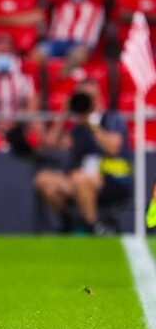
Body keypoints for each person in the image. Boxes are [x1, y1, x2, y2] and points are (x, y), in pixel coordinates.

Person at [34, 80, 132, 234]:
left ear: (98, 99)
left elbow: (113, 148)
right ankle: (68, 223)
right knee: (44, 180)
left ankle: (94, 228)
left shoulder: (112, 118)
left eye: (89, 97)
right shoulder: (78, 126)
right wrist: (64, 114)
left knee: (79, 179)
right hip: (78, 178)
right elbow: (51, 144)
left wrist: (91, 124)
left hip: (111, 179)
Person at [31, 0, 105, 78]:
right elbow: (40, 8)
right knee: (37, 53)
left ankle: (61, 77)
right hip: (56, 43)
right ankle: (43, 83)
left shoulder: (98, 7)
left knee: (79, 54)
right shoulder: (57, 4)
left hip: (81, 44)